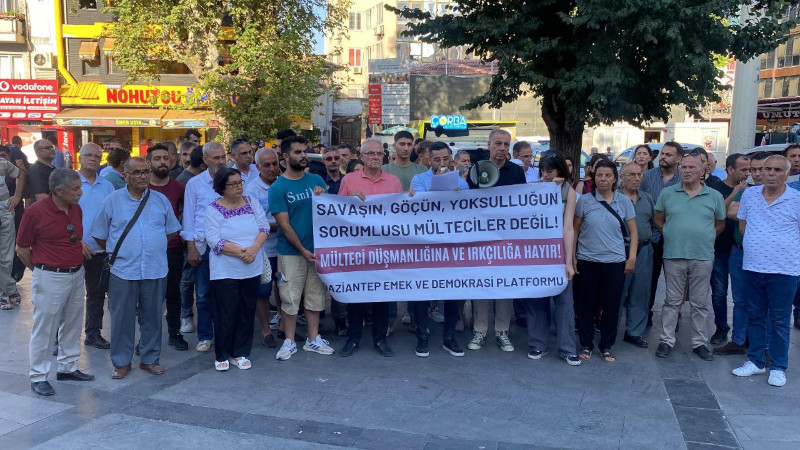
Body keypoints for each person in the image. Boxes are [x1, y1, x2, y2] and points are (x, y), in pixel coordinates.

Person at [91, 157, 181, 378]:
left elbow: (171, 230)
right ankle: (121, 361)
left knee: (153, 316)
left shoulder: (160, 200)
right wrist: (122, 250)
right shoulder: (113, 200)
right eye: (137, 172)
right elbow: (100, 234)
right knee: (121, 318)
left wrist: (152, 245)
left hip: (155, 268)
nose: (143, 176)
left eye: (146, 172)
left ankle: (150, 359)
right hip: (123, 270)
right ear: (125, 176)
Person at [16, 168, 95, 396]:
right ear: (59, 191)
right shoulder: (35, 212)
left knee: (72, 322)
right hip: (50, 275)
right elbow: (22, 249)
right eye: (75, 189)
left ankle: (67, 367)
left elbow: (73, 237)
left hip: (75, 273)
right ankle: (38, 376)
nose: (80, 192)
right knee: (45, 328)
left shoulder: (75, 208)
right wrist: (41, 271)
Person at [732, 155, 800, 387]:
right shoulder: (750, 195)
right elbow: (743, 225)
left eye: (777, 170)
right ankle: (756, 361)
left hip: (784, 270)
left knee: (780, 320)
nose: (771, 173)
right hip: (753, 266)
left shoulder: (796, 199)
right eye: (767, 168)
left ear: (787, 174)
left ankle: (779, 366)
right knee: (755, 316)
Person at [654, 150, 725, 361]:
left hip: (702, 256)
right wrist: (671, 234)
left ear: (703, 171)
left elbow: (719, 224)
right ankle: (666, 340)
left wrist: (705, 237)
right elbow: (659, 218)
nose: (686, 171)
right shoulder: (668, 193)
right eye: (684, 167)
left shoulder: (714, 196)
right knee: (671, 301)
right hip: (673, 254)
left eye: (692, 167)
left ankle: (699, 343)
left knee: (699, 303)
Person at [338, 139, 404, 357]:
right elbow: (336, 211)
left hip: (384, 248)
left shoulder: (393, 181)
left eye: (379, 154)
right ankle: (353, 338)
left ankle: (380, 339)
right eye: (371, 154)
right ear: (362, 156)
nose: (376, 157)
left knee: (382, 296)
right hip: (357, 247)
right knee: (356, 296)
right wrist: (350, 201)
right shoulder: (349, 179)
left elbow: (401, 211)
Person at [268, 136, 332, 360]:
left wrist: (322, 197)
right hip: (291, 253)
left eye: (304, 151)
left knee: (315, 297)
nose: (303, 155)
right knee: (289, 298)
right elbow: (284, 225)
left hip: (317, 251)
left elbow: (330, 213)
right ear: (285, 156)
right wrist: (303, 250)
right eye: (297, 152)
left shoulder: (316, 180)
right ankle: (290, 341)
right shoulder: (278, 188)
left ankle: (313, 339)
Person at [406, 142, 468, 357]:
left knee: (451, 290)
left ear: (451, 159)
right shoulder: (419, 180)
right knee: (422, 291)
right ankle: (422, 336)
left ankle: (449, 337)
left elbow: (468, 213)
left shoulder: (462, 183)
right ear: (428, 160)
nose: (441, 162)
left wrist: (459, 197)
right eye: (436, 159)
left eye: (445, 159)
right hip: (425, 244)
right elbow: (419, 207)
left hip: (450, 245)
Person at [202, 168, 268, 371]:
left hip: (252, 267)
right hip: (225, 270)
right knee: (225, 312)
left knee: (246, 310)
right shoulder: (213, 209)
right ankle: (222, 354)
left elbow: (264, 227)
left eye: (240, 182)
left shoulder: (251, 202)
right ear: (222, 187)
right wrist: (242, 252)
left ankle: (240, 352)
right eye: (233, 184)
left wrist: (254, 249)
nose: (239, 187)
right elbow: (213, 240)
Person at [467, 129, 526, 352]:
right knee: (482, 283)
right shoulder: (476, 169)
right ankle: (480, 330)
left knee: (504, 284)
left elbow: (523, 201)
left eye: (506, 144)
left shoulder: (516, 172)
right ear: (489, 145)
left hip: (506, 238)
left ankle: (502, 331)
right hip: (481, 238)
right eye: (498, 143)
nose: (502, 148)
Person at [573, 160, 637, 363]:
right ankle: (586, 343)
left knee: (611, 304)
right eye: (599, 175)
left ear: (615, 179)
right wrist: (572, 256)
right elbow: (575, 230)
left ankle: (606, 345)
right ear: (594, 177)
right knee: (585, 304)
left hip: (614, 261)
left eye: (608, 175)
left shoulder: (624, 201)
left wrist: (632, 257)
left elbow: (633, 232)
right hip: (587, 259)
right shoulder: (584, 201)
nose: (603, 179)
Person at [520, 151, 580, 365]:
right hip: (536, 254)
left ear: (560, 170)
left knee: (565, 303)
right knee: (536, 300)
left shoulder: (568, 191)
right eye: (543, 170)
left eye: (550, 170)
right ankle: (538, 344)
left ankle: (567, 349)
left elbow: (568, 228)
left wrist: (568, 261)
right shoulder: (533, 188)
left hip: (558, 253)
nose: (546, 174)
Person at [717, 152, 765, 356]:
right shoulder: (746, 191)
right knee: (740, 300)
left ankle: (761, 345)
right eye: (754, 170)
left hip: (764, 255)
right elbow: (729, 212)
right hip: (739, 251)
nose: (758, 174)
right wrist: (763, 214)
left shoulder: (782, 195)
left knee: (763, 302)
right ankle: (738, 340)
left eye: (762, 169)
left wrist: (746, 213)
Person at [183, 142, 228, 352]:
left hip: (230, 246)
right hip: (204, 246)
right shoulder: (195, 184)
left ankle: (226, 335)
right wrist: (191, 247)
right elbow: (189, 217)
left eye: (223, 157)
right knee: (203, 295)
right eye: (216, 158)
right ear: (205, 160)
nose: (221, 161)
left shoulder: (234, 181)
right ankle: (205, 336)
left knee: (227, 294)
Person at [147, 144, 189, 351]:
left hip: (172, 248)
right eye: (157, 158)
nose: (162, 162)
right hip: (146, 250)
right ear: (149, 162)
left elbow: (187, 213)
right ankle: (146, 337)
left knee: (173, 293)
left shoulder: (179, 187)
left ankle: (174, 333)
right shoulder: (142, 187)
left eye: (165, 158)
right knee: (147, 296)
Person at [706, 154, 750, 347]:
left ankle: (744, 333)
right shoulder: (716, 188)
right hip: (719, 249)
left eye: (749, 170)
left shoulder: (751, 190)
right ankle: (721, 328)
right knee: (719, 292)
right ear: (730, 170)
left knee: (742, 295)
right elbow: (718, 212)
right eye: (743, 170)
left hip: (742, 250)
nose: (747, 173)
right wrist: (735, 193)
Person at [74, 143, 115, 348]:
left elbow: (113, 217)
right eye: (88, 155)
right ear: (79, 158)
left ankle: (93, 334)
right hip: (72, 248)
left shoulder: (107, 186)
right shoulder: (70, 182)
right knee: (67, 297)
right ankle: (58, 338)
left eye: (97, 156)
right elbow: (60, 215)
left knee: (96, 294)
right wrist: (77, 241)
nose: (92, 158)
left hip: (99, 250)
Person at [640, 141, 682, 326]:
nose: (663, 157)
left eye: (668, 155)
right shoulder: (648, 176)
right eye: (662, 154)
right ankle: (645, 315)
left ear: (678, 159)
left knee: (676, 280)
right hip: (653, 236)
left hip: (676, 237)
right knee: (650, 279)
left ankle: (674, 318)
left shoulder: (683, 178)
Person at [245, 148, 282, 348]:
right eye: (266, 165)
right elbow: (254, 222)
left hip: (285, 246)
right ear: (257, 167)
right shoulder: (251, 190)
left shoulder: (284, 183)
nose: (272, 168)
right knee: (263, 291)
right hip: (263, 249)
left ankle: (284, 325)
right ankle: (266, 330)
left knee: (284, 289)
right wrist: (284, 225)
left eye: (274, 163)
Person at [618, 163, 655, 349]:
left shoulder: (647, 198)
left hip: (644, 250)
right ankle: (609, 328)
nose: (637, 178)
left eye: (639, 175)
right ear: (621, 178)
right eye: (632, 175)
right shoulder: (614, 198)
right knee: (617, 292)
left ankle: (634, 332)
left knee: (640, 292)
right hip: (619, 251)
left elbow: (654, 222)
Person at [0, 146, 20, 310]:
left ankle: (4, 293)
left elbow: (21, 174)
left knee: (6, 257)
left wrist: (17, 195)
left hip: (5, 211)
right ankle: (9, 290)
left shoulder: (3, 163)